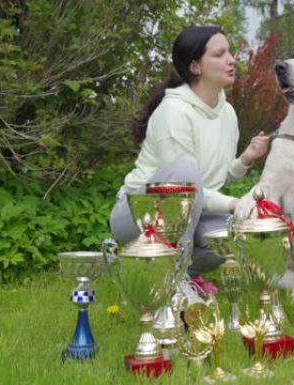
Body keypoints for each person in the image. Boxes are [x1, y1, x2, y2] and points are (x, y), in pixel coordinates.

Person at [109, 25, 269, 292]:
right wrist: (234, 203)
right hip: (136, 214)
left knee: (240, 233)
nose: (231, 60)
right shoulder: (173, 112)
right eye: (220, 54)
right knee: (184, 171)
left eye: (229, 52)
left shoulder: (227, 112)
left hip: (189, 211)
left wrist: (244, 160)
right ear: (195, 67)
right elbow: (183, 185)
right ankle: (175, 286)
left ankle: (169, 273)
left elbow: (212, 178)